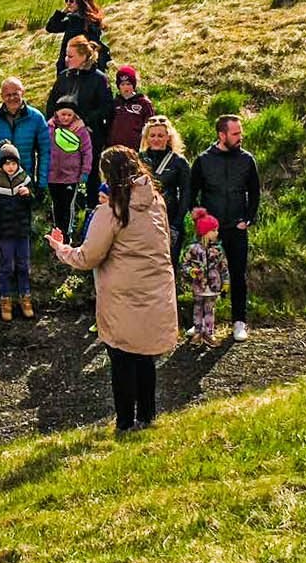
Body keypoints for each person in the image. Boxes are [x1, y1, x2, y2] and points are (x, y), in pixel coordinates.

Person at [48, 147, 179, 434]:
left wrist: (61, 249)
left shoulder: (112, 211)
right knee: (145, 356)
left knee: (121, 358)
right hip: (155, 289)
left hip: (123, 295)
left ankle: (124, 423)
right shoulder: (156, 201)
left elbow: (88, 257)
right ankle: (146, 417)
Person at [186, 114, 260, 343]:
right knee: (205, 276)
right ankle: (201, 324)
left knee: (238, 274)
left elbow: (255, 192)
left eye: (240, 132)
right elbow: (191, 191)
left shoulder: (247, 160)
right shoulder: (203, 160)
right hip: (210, 230)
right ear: (222, 135)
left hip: (236, 227)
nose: (240, 137)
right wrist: (198, 217)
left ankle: (239, 322)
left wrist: (247, 219)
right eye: (235, 133)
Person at [48, 36, 114, 214]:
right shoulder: (63, 78)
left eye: (71, 56)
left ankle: (93, 216)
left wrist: (84, 120)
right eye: (66, 56)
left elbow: (108, 107)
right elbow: (51, 105)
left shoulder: (99, 79)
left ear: (84, 56)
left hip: (90, 138)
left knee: (92, 177)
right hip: (62, 140)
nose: (66, 60)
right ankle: (64, 219)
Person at [0, 141, 37, 321]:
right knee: (5, 267)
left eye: (13, 163)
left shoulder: (25, 179)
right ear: (0, 164)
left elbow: (34, 203)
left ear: (18, 164)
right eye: (7, 163)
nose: (10, 167)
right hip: (4, 233)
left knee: (23, 265)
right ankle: (5, 299)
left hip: (22, 232)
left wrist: (28, 195)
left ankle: (25, 297)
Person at [0, 77, 50, 199]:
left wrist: (41, 184)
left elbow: (45, 153)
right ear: (2, 96)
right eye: (7, 95)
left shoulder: (36, 118)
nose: (12, 98)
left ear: (23, 92)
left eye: (15, 94)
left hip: (25, 184)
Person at [140, 115, 191, 257]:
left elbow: (186, 193)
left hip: (169, 217)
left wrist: (177, 223)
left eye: (160, 135)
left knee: (169, 264)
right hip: (144, 218)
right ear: (147, 137)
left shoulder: (179, 162)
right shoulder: (139, 159)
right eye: (153, 135)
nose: (156, 139)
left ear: (168, 137)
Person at [44, 99, 94, 239]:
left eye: (69, 115)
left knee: (67, 206)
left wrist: (85, 171)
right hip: (52, 174)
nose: (65, 118)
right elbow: (42, 148)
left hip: (71, 176)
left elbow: (87, 151)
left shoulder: (80, 130)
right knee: (56, 205)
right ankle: (57, 233)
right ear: (57, 114)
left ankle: (67, 236)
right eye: (63, 114)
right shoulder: (49, 128)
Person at [44, 0, 109, 74]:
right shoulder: (72, 19)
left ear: (80, 1)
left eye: (71, 0)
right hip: (67, 66)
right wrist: (63, 12)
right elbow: (50, 27)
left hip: (83, 68)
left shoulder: (89, 22)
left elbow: (95, 46)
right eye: (66, 0)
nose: (68, 4)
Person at [182, 209, 226, 344]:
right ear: (205, 232)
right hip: (198, 285)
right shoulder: (193, 249)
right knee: (197, 308)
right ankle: (197, 332)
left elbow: (223, 267)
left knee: (210, 310)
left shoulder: (217, 250)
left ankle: (209, 332)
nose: (217, 233)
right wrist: (191, 271)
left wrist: (226, 282)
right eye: (214, 230)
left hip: (213, 286)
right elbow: (184, 264)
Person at [107, 66, 153, 154]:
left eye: (128, 84)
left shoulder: (144, 103)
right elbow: (108, 124)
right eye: (122, 84)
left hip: (135, 149)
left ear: (134, 85)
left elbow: (149, 125)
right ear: (118, 86)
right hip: (115, 149)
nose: (126, 87)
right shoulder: (114, 103)